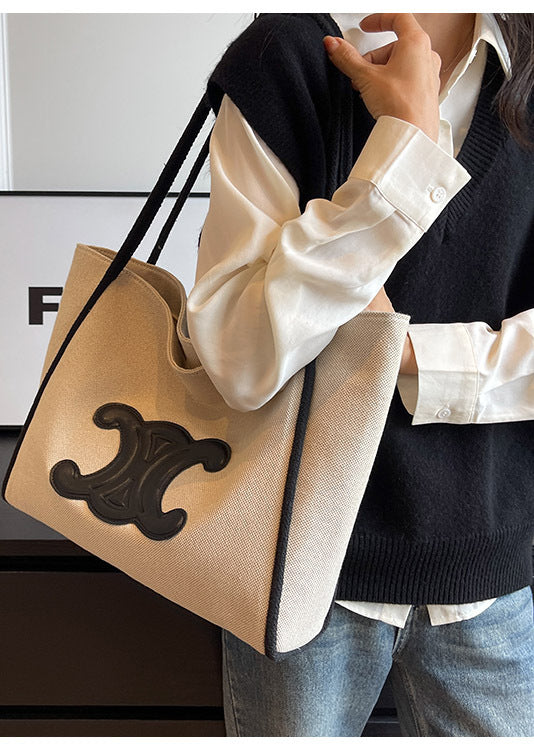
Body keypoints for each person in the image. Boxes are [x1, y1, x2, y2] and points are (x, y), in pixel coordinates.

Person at [187, 12, 534, 737]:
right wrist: (403, 152)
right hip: (293, 573)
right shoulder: (283, 57)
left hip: (495, 574)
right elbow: (241, 361)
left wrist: (398, 352)